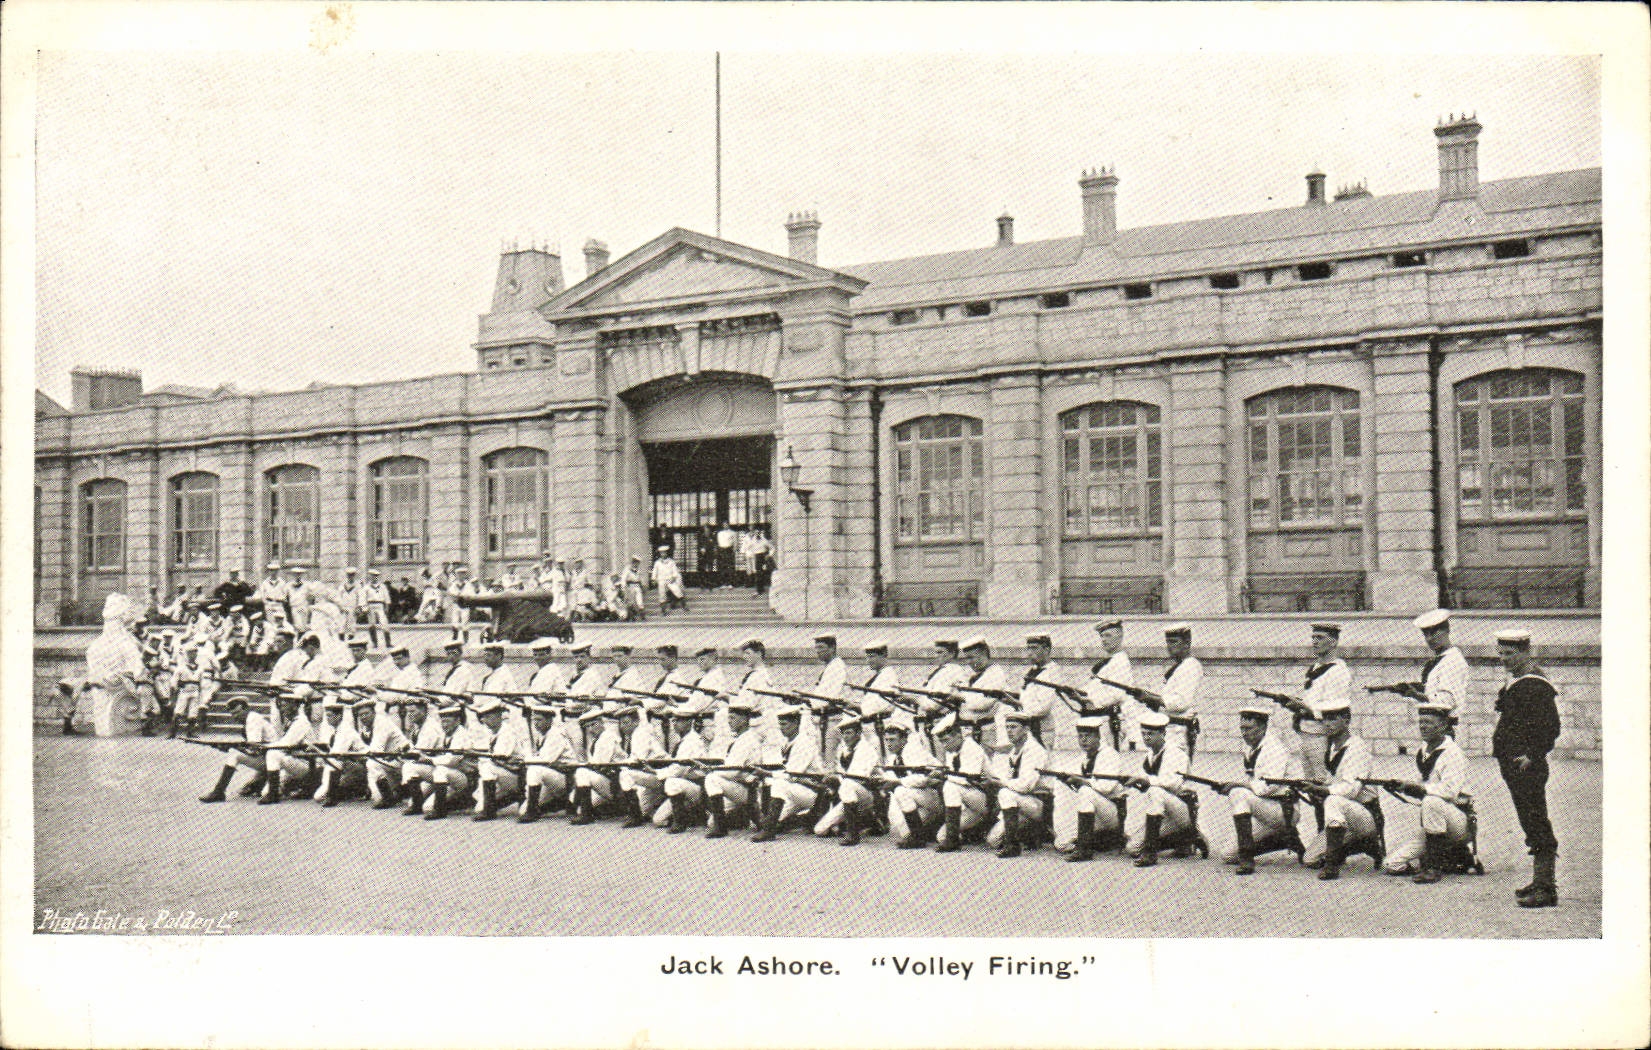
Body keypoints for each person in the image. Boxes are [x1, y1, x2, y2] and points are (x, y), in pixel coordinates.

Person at [1493, 629, 1562, 908]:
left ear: (1525, 651)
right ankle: (1539, 880)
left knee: (1536, 821)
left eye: (1509, 654)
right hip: (1514, 764)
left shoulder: (1534, 684)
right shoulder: (1519, 681)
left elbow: (1551, 727)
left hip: (1525, 767)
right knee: (1529, 821)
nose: (1503, 660)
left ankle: (1546, 888)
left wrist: (1531, 755)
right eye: (1500, 653)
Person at [1382, 704, 1475, 883]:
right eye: (1421, 722)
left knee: (1432, 801)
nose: (1422, 726)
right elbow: (1424, 788)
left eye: (1429, 722)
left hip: (1458, 821)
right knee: (1392, 864)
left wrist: (1420, 789)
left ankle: (1434, 867)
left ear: (1443, 726)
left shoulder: (1452, 754)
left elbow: (1449, 791)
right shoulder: (1423, 751)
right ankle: (1452, 856)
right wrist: (1403, 787)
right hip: (1435, 822)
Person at [1301, 697, 1380, 881]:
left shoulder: (1357, 748)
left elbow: (1352, 789)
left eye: (1333, 719)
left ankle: (1332, 865)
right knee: (1310, 859)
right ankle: (1363, 845)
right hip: (1343, 817)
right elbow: (1334, 781)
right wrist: (1317, 787)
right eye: (1324, 719)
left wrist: (1325, 791)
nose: (1327, 724)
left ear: (1346, 719)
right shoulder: (1332, 747)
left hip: (1364, 814)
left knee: (1333, 799)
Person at [1219, 701, 1301, 874]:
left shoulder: (1274, 749)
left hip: (1283, 809)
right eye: (1242, 728)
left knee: (1238, 793)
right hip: (1266, 810)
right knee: (1228, 855)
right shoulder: (1252, 748)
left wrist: (1238, 785)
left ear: (1263, 727)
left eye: (1249, 728)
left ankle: (1247, 859)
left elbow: (1267, 787)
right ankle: (1283, 839)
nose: (1244, 733)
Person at [1124, 710, 1193, 868]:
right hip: (1163, 812)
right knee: (1132, 848)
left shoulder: (1175, 753)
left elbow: (1174, 783)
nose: (1146, 738)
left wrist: (1147, 780)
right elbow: (1146, 780)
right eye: (1143, 734)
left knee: (1156, 792)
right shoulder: (1150, 754)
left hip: (1181, 808)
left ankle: (1151, 852)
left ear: (1162, 733)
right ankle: (1185, 839)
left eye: (1150, 734)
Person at [1058, 713, 1128, 863]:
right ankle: (1102, 841)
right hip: (1097, 810)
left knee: (1085, 791)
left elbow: (1106, 787)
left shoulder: (1109, 755)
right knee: (1062, 844)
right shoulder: (1087, 757)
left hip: (1114, 811)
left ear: (1098, 737)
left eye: (1087, 736)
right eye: (1080, 736)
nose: (1083, 740)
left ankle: (1084, 849)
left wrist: (1082, 781)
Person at [754, 704, 824, 843]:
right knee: (774, 820)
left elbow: (793, 774)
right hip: (797, 790)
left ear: (796, 723)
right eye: (780, 724)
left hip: (813, 792)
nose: (781, 728)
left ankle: (769, 832)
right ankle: (804, 819)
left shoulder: (804, 742)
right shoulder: (790, 741)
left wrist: (767, 774)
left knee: (779, 785)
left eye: (785, 724)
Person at [986, 710, 1051, 858]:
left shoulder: (1034, 750)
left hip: (1039, 803)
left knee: (1005, 793)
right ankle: (1028, 833)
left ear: (1026, 729)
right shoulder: (1015, 750)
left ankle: (1012, 846)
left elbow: (1025, 785)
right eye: (1007, 727)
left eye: (1014, 727)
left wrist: (1000, 782)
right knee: (993, 840)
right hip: (1022, 802)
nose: (1009, 731)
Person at [83, 593, 148, 737]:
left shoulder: (95, 646)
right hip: (113, 690)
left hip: (107, 688)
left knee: (104, 721)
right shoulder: (126, 644)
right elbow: (138, 669)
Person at [703, 699, 766, 839]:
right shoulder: (743, 738)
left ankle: (721, 828)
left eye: (732, 718)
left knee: (712, 779)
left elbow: (732, 771)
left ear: (744, 719)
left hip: (750, 790)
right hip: (739, 786)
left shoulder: (746, 740)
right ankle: (740, 816)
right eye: (728, 718)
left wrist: (712, 769)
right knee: (710, 822)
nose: (729, 721)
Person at [656, 708, 725, 833]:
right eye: (674, 721)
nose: (675, 724)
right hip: (686, 786)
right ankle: (692, 815)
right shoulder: (683, 741)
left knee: (672, 782)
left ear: (689, 723)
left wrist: (657, 773)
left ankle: (680, 822)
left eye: (679, 721)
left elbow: (678, 770)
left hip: (699, 786)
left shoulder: (691, 741)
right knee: (658, 820)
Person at [817, 714, 881, 846]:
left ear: (858, 733)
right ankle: (868, 821)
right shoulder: (844, 750)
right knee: (820, 830)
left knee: (847, 784)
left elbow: (857, 777)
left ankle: (853, 834)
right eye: (843, 733)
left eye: (849, 733)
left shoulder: (866, 749)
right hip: (850, 796)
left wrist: (836, 778)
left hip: (869, 795)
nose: (845, 737)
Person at [931, 713, 991, 853]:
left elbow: (967, 779)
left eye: (946, 740)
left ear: (958, 735)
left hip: (985, 798)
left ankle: (953, 840)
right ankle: (965, 834)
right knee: (941, 836)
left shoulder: (972, 748)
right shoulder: (952, 750)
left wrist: (944, 775)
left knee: (950, 787)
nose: (945, 746)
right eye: (942, 742)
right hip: (969, 801)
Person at [197, 696, 275, 803]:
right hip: (268, 758)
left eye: (237, 713)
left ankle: (219, 791)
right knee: (247, 788)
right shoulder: (251, 718)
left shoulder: (252, 719)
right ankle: (259, 782)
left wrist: (232, 748)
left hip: (273, 760)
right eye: (233, 714)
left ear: (245, 709)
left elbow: (254, 748)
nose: (235, 717)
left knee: (234, 755)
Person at [881, 721, 941, 848]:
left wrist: (897, 782)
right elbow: (888, 777)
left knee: (900, 791)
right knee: (899, 830)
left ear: (904, 740)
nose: (889, 744)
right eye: (886, 740)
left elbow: (922, 779)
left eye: (892, 739)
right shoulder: (893, 757)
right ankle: (926, 830)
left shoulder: (914, 751)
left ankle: (918, 838)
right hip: (914, 798)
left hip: (932, 795)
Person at [1083, 619, 1139, 751]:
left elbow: (1117, 694)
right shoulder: (1108, 662)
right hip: (1101, 719)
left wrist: (1090, 701)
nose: (1103, 639)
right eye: (1102, 636)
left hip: (1111, 720)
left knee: (1108, 761)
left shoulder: (1120, 662)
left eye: (1108, 635)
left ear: (1120, 637)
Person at [258, 691, 318, 805]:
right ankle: (289, 787)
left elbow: (286, 744)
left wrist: (263, 746)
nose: (283, 709)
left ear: (295, 706)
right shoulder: (292, 721)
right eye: (282, 705)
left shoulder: (301, 722)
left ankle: (274, 794)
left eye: (286, 705)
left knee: (273, 754)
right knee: (263, 792)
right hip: (293, 762)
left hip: (307, 765)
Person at [954, 636, 1009, 751]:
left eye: (972, 657)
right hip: (968, 730)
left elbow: (982, 704)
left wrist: (961, 697)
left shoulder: (996, 674)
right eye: (966, 658)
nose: (969, 662)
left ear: (983, 653)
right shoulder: (974, 675)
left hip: (984, 732)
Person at [1014, 634, 1060, 747]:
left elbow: (1042, 707)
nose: (1029, 652)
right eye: (1028, 648)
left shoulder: (1051, 671)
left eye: (1034, 648)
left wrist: (1020, 706)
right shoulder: (1033, 670)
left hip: (1041, 729)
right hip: (1029, 726)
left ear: (1046, 649)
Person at [650, 546, 687, 615]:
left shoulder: (671, 562)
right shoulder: (657, 563)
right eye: (661, 553)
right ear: (660, 554)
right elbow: (654, 572)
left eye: (664, 553)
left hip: (670, 579)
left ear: (666, 553)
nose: (663, 554)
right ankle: (663, 610)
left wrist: (674, 577)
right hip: (661, 580)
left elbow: (675, 570)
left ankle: (684, 606)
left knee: (677, 591)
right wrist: (653, 579)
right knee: (662, 594)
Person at [362, 569, 392, 648]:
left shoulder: (382, 586)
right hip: (370, 605)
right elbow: (363, 598)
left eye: (375, 576)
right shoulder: (366, 587)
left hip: (380, 605)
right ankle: (374, 643)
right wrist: (364, 608)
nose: (373, 578)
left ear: (377, 577)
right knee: (371, 625)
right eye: (372, 576)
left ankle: (388, 643)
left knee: (384, 623)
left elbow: (386, 597)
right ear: (369, 577)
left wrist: (387, 606)